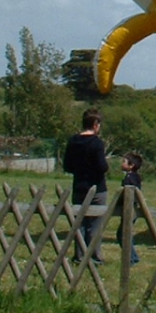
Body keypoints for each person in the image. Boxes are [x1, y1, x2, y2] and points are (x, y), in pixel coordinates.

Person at [62, 108, 109, 263]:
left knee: (80, 223)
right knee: (95, 224)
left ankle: (79, 255)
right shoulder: (96, 143)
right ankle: (94, 255)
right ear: (95, 124)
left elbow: (67, 166)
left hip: (79, 186)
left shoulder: (73, 141)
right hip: (96, 187)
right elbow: (102, 166)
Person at [117, 151, 142, 265]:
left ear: (131, 165)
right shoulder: (134, 177)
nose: (121, 163)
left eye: (124, 161)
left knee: (123, 234)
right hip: (131, 208)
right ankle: (132, 257)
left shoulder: (130, 178)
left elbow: (129, 192)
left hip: (130, 208)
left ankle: (132, 258)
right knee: (123, 233)